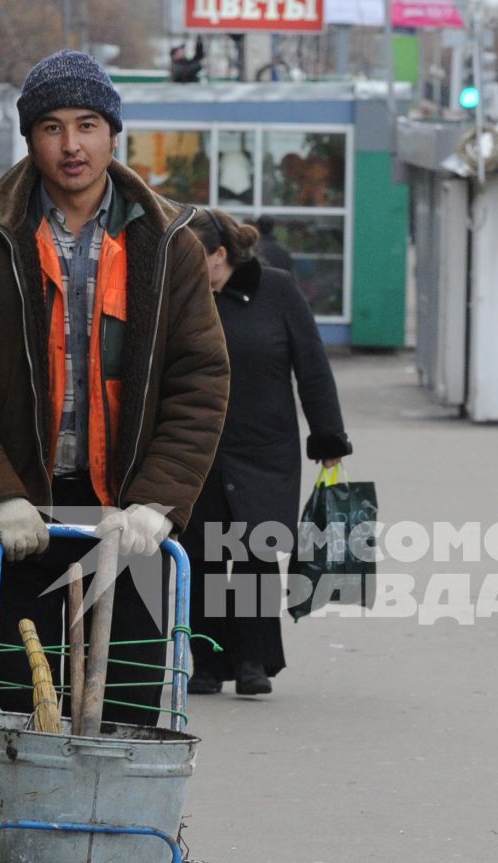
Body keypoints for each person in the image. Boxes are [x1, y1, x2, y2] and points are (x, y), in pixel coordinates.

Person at [0, 49, 230, 863]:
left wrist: (160, 503)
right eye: (52, 126)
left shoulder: (164, 239)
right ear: (31, 137)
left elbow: (200, 381)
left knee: (126, 703)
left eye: (87, 125)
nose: (71, 145)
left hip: (124, 522)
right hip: (25, 521)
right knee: (13, 701)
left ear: (111, 133)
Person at [185, 208, 350, 697]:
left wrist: (328, 439)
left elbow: (312, 365)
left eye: (198, 262)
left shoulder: (276, 290)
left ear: (221, 255)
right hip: (199, 449)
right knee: (205, 557)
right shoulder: (183, 297)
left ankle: (255, 660)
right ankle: (209, 663)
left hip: (265, 449)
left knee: (256, 554)